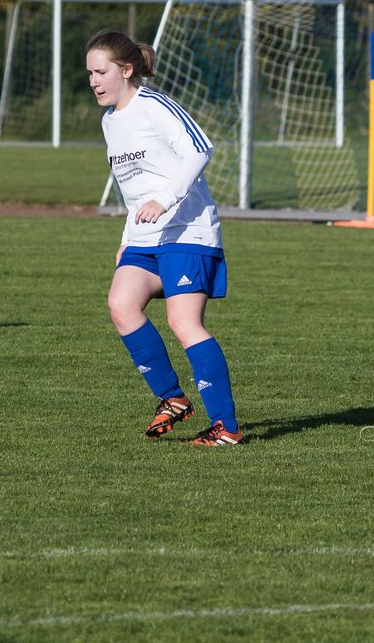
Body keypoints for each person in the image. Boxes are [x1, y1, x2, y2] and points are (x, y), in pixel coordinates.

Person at [87, 30, 243, 445]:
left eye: (101, 72)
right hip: (145, 236)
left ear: (126, 69)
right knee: (121, 304)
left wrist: (166, 198)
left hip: (187, 229)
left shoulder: (154, 106)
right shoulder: (110, 122)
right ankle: (172, 399)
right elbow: (132, 189)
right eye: (89, 74)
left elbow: (201, 149)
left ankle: (225, 428)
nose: (94, 81)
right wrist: (127, 235)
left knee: (183, 322)